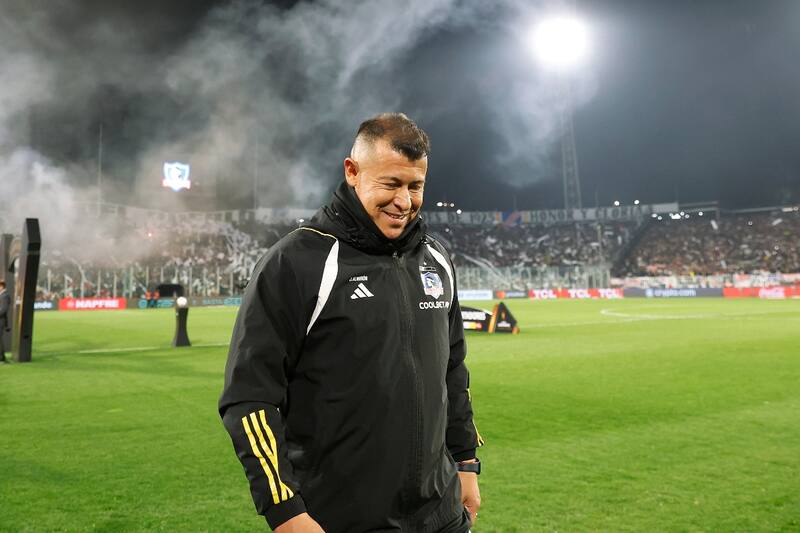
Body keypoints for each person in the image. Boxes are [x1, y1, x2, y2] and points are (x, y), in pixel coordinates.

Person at [219, 113, 483, 532]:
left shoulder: (436, 260)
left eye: (415, 186)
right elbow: (249, 397)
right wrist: (284, 510)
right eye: (391, 184)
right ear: (353, 172)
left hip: (442, 515)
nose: (404, 201)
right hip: (340, 521)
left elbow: (451, 369)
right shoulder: (298, 262)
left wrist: (466, 460)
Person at [0, 280, 10, 363]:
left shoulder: (5, 296)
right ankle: (2, 357)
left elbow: (3, 310)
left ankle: (1, 357)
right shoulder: (2, 295)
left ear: (1, 286)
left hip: (1, 320)